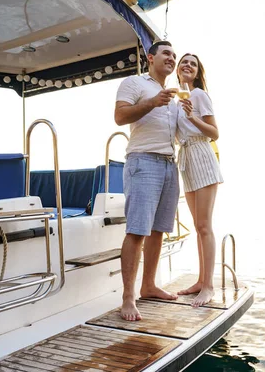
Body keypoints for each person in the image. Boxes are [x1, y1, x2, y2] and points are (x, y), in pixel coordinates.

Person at [114, 41, 180, 321]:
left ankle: (149, 286)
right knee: (138, 230)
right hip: (143, 161)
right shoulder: (135, 83)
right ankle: (128, 298)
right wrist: (152, 102)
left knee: (158, 231)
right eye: (167, 53)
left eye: (174, 55)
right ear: (150, 57)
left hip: (169, 164)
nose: (172, 58)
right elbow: (119, 116)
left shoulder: (174, 97)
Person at [175, 53, 224, 307]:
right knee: (197, 226)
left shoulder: (199, 96)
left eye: (193, 64)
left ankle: (209, 286)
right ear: (178, 69)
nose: (187, 65)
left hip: (202, 156)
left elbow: (214, 133)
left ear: (197, 72)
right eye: (184, 62)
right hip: (186, 159)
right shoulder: (175, 99)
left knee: (205, 226)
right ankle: (199, 280)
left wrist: (193, 117)